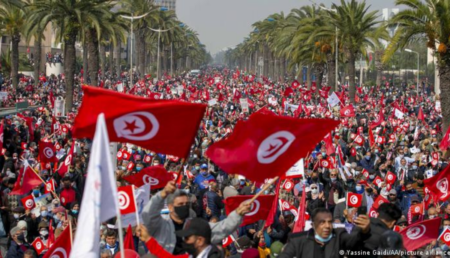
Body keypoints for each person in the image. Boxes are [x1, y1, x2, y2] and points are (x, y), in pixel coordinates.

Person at [142, 180, 252, 254]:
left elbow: (221, 228)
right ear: (170, 207)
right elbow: (148, 214)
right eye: (180, 205)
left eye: (186, 204)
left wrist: (238, 213)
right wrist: (162, 194)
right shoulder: (161, 225)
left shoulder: (195, 225)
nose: (184, 207)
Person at [279, 207, 371, 258]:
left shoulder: (339, 236)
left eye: (330, 222)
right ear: (313, 225)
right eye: (322, 222)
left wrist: (365, 230)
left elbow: (354, 241)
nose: (327, 226)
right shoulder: (297, 240)